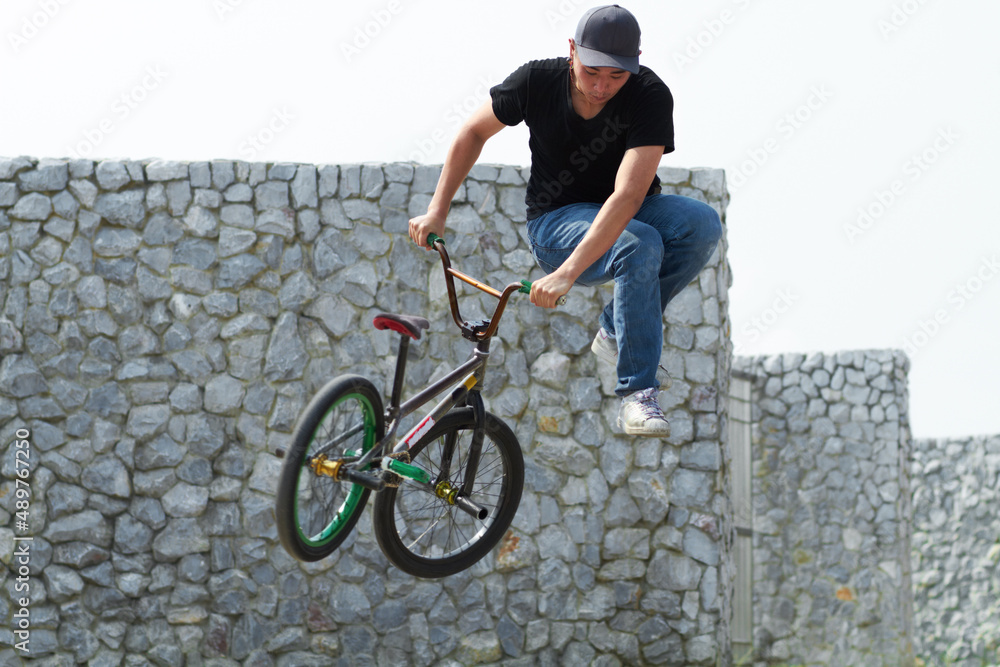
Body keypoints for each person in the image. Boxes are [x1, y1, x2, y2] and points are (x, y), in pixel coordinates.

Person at [408, 4, 722, 437]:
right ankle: (638, 393)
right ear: (572, 49)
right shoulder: (536, 81)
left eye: (616, 76)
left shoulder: (649, 95)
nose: (601, 87)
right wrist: (437, 209)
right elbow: (473, 132)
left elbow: (628, 195)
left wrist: (569, 275)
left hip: (625, 210)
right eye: (592, 71)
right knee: (640, 243)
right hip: (557, 222)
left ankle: (615, 331)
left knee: (702, 224)